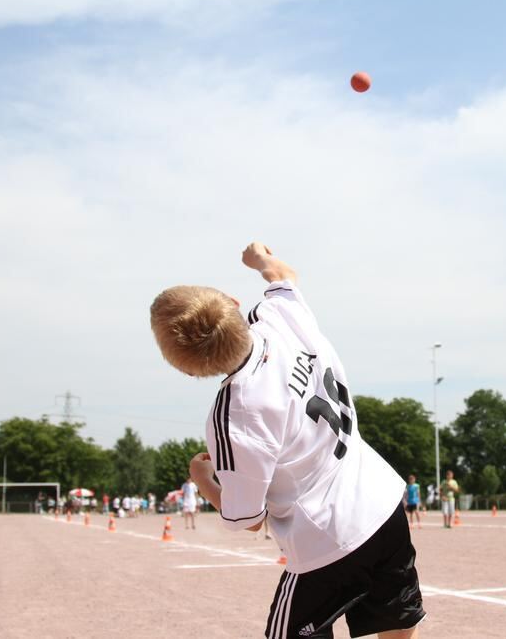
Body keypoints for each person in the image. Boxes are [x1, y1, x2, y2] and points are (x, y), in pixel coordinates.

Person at [152, 242, 424, 639]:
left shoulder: (234, 414)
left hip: (326, 540)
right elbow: (284, 277)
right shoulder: (278, 317)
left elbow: (247, 519)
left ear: (189, 370)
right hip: (382, 500)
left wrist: (201, 476)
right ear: (232, 301)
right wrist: (261, 260)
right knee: (396, 617)